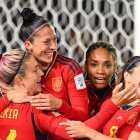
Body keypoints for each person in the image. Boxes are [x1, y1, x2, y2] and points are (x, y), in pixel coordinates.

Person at [60, 56, 140, 140]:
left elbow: (86, 131)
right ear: (127, 76)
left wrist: (89, 133)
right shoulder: (109, 104)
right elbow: (80, 131)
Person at [0, 50, 73, 140]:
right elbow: (80, 133)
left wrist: (8, 97)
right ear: (19, 80)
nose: (41, 73)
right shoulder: (37, 108)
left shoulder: (2, 104)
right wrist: (61, 105)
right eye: (35, 70)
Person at [84, 41, 118, 116]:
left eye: (107, 65)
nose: (100, 71)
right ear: (86, 66)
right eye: (94, 65)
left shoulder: (121, 94)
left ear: (115, 67)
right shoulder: (75, 91)